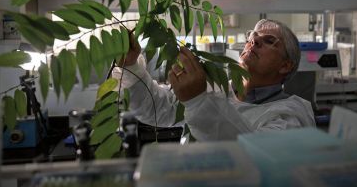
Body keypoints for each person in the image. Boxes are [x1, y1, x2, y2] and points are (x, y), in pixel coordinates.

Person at [112, 19, 316, 141]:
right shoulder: (217, 90)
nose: (254, 42)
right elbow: (155, 108)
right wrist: (130, 65)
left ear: (285, 65)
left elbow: (253, 158)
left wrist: (198, 101)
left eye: (269, 41)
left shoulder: (291, 116)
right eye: (252, 37)